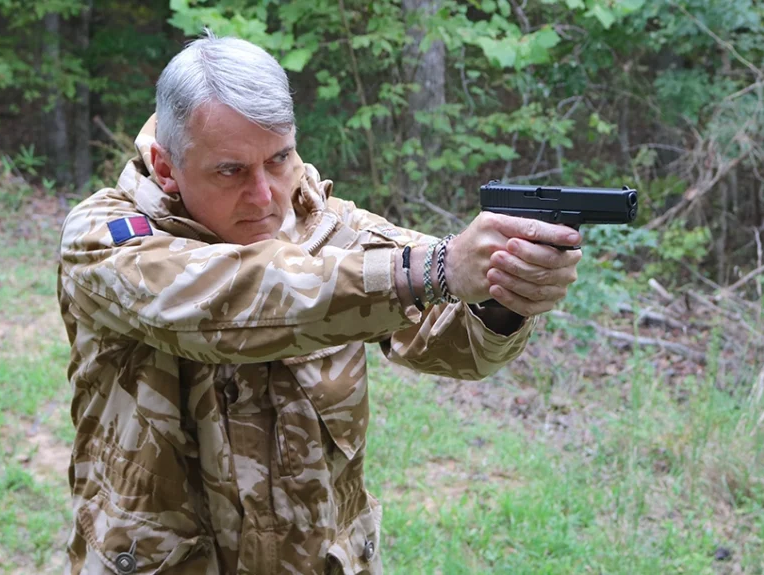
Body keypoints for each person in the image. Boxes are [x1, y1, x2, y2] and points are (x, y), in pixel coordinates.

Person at [56, 31, 582, 575]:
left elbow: (457, 347)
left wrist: (504, 289)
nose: (264, 195)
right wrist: (434, 270)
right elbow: (230, 301)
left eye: (279, 158)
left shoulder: (330, 227)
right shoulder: (104, 239)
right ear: (166, 167)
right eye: (231, 170)